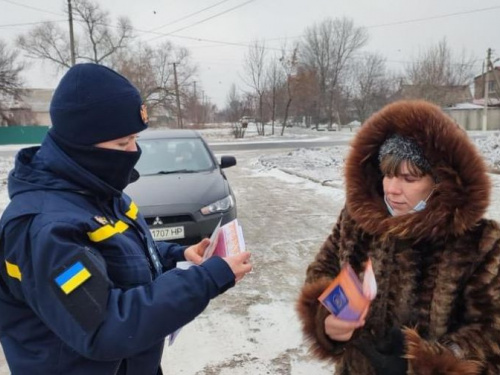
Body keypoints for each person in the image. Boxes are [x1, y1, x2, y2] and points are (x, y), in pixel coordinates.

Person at [0, 63, 252, 375]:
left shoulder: (99, 193)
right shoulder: (43, 228)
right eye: (122, 143)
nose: (134, 152)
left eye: (134, 139)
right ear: (81, 143)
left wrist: (177, 256)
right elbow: (105, 326)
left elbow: (120, 255)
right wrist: (206, 279)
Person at [296, 100, 500, 374]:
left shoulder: (479, 243)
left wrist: (426, 361)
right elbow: (323, 270)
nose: (392, 189)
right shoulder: (358, 221)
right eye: (387, 175)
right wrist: (327, 321)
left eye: (408, 179)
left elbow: (491, 331)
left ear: (441, 182)